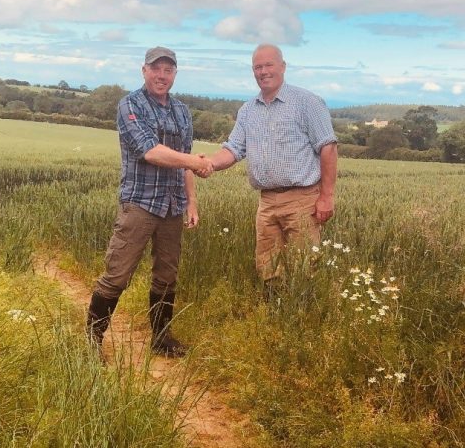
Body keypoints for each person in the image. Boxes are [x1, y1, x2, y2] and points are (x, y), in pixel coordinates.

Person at [86, 46, 213, 358]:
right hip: (139, 203)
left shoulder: (182, 111)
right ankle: (92, 340)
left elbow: (184, 163)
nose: (162, 75)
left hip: (172, 206)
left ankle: (161, 338)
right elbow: (150, 151)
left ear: (174, 74)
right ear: (144, 70)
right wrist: (196, 161)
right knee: (117, 274)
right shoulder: (130, 104)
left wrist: (191, 202)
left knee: (167, 275)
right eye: (156, 69)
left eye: (168, 70)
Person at [207, 44, 337, 292]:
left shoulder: (307, 102)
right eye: (258, 67)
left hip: (303, 201)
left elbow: (328, 148)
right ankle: (274, 319)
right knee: (267, 269)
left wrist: (327, 197)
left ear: (283, 67)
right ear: (252, 71)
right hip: (266, 203)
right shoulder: (247, 111)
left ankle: (302, 320)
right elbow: (233, 148)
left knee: (304, 267)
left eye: (269, 65)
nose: (263, 71)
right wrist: (207, 164)